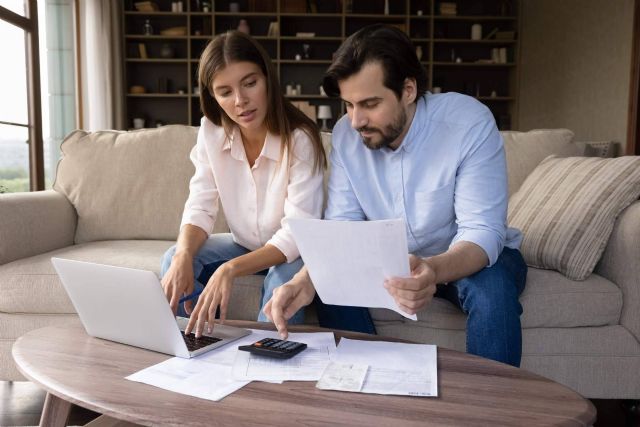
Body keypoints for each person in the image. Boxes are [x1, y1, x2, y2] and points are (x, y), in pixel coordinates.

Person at [263, 24, 527, 367]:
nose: (356, 120)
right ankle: (372, 385)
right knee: (331, 290)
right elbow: (344, 229)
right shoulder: (346, 134)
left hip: (467, 256)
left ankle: (492, 413)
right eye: (348, 105)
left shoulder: (468, 123)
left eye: (370, 104)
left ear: (408, 90)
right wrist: (304, 280)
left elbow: (482, 232)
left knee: (493, 293)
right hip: (391, 262)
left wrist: (432, 268)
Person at [161, 31, 326, 338]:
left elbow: (296, 233)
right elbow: (200, 205)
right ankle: (199, 338)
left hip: (291, 252)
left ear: (267, 78)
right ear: (212, 97)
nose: (240, 101)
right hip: (242, 244)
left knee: (282, 280)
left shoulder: (300, 138)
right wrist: (184, 253)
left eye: (250, 83)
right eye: (225, 91)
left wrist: (231, 268)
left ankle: (263, 358)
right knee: (174, 258)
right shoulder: (212, 132)